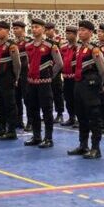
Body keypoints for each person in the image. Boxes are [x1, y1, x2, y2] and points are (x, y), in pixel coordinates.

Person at [67, 21, 104, 159]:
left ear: (90, 32)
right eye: (80, 30)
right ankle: (83, 145)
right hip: (79, 84)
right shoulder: (78, 48)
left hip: (90, 86)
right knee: (81, 116)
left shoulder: (94, 49)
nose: (81, 32)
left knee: (93, 117)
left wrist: (99, 84)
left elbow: (102, 69)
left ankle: (96, 148)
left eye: (84, 30)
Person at [24, 18, 63, 149]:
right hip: (31, 83)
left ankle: (48, 138)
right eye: (33, 27)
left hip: (45, 84)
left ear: (43, 29)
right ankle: (36, 136)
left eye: (37, 27)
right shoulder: (28, 45)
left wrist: (50, 75)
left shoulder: (50, 45)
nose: (34, 29)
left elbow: (59, 63)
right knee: (33, 110)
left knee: (47, 111)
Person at [0, 21, 21, 140]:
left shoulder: (11, 45)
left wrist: (16, 78)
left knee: (10, 105)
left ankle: (11, 131)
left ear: (7, 31)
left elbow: (17, 64)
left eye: (1, 29)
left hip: (8, 78)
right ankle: (1, 128)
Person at [13, 21, 32, 131]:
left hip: (26, 73)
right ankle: (18, 121)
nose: (15, 30)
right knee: (16, 98)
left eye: (17, 28)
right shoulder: (13, 43)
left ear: (23, 29)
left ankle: (30, 121)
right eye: (14, 29)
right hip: (17, 74)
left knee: (28, 99)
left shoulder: (29, 42)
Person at [45, 22, 65, 124]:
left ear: (54, 30)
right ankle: (49, 114)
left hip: (56, 70)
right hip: (47, 70)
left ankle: (60, 114)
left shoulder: (59, 40)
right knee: (48, 94)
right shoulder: (44, 42)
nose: (48, 31)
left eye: (50, 29)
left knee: (57, 92)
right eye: (46, 30)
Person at [60, 26, 79, 127]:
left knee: (77, 99)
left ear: (75, 35)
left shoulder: (79, 47)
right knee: (68, 99)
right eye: (66, 33)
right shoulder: (63, 47)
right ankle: (71, 117)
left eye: (70, 33)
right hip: (66, 77)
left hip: (76, 78)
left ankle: (79, 119)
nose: (67, 35)